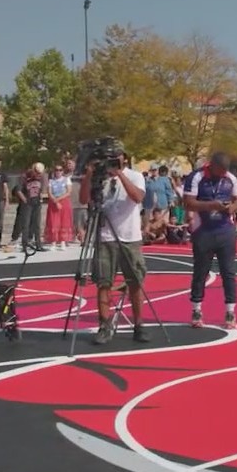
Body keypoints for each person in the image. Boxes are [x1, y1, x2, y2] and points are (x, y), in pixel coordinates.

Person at [77, 140, 150, 345]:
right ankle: (104, 324)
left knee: (135, 282)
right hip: (105, 237)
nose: (110, 162)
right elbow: (84, 200)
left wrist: (119, 174)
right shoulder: (99, 178)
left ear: (123, 158)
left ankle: (139, 324)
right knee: (103, 282)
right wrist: (90, 175)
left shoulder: (135, 176)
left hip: (129, 237)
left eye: (115, 157)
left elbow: (137, 197)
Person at [182, 152, 237, 330]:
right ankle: (196, 309)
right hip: (204, 231)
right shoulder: (196, 177)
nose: (223, 173)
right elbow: (188, 203)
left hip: (225, 231)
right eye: (220, 170)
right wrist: (211, 205)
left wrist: (232, 207)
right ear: (212, 165)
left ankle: (230, 311)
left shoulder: (230, 178)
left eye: (225, 171)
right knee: (200, 271)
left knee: (228, 272)